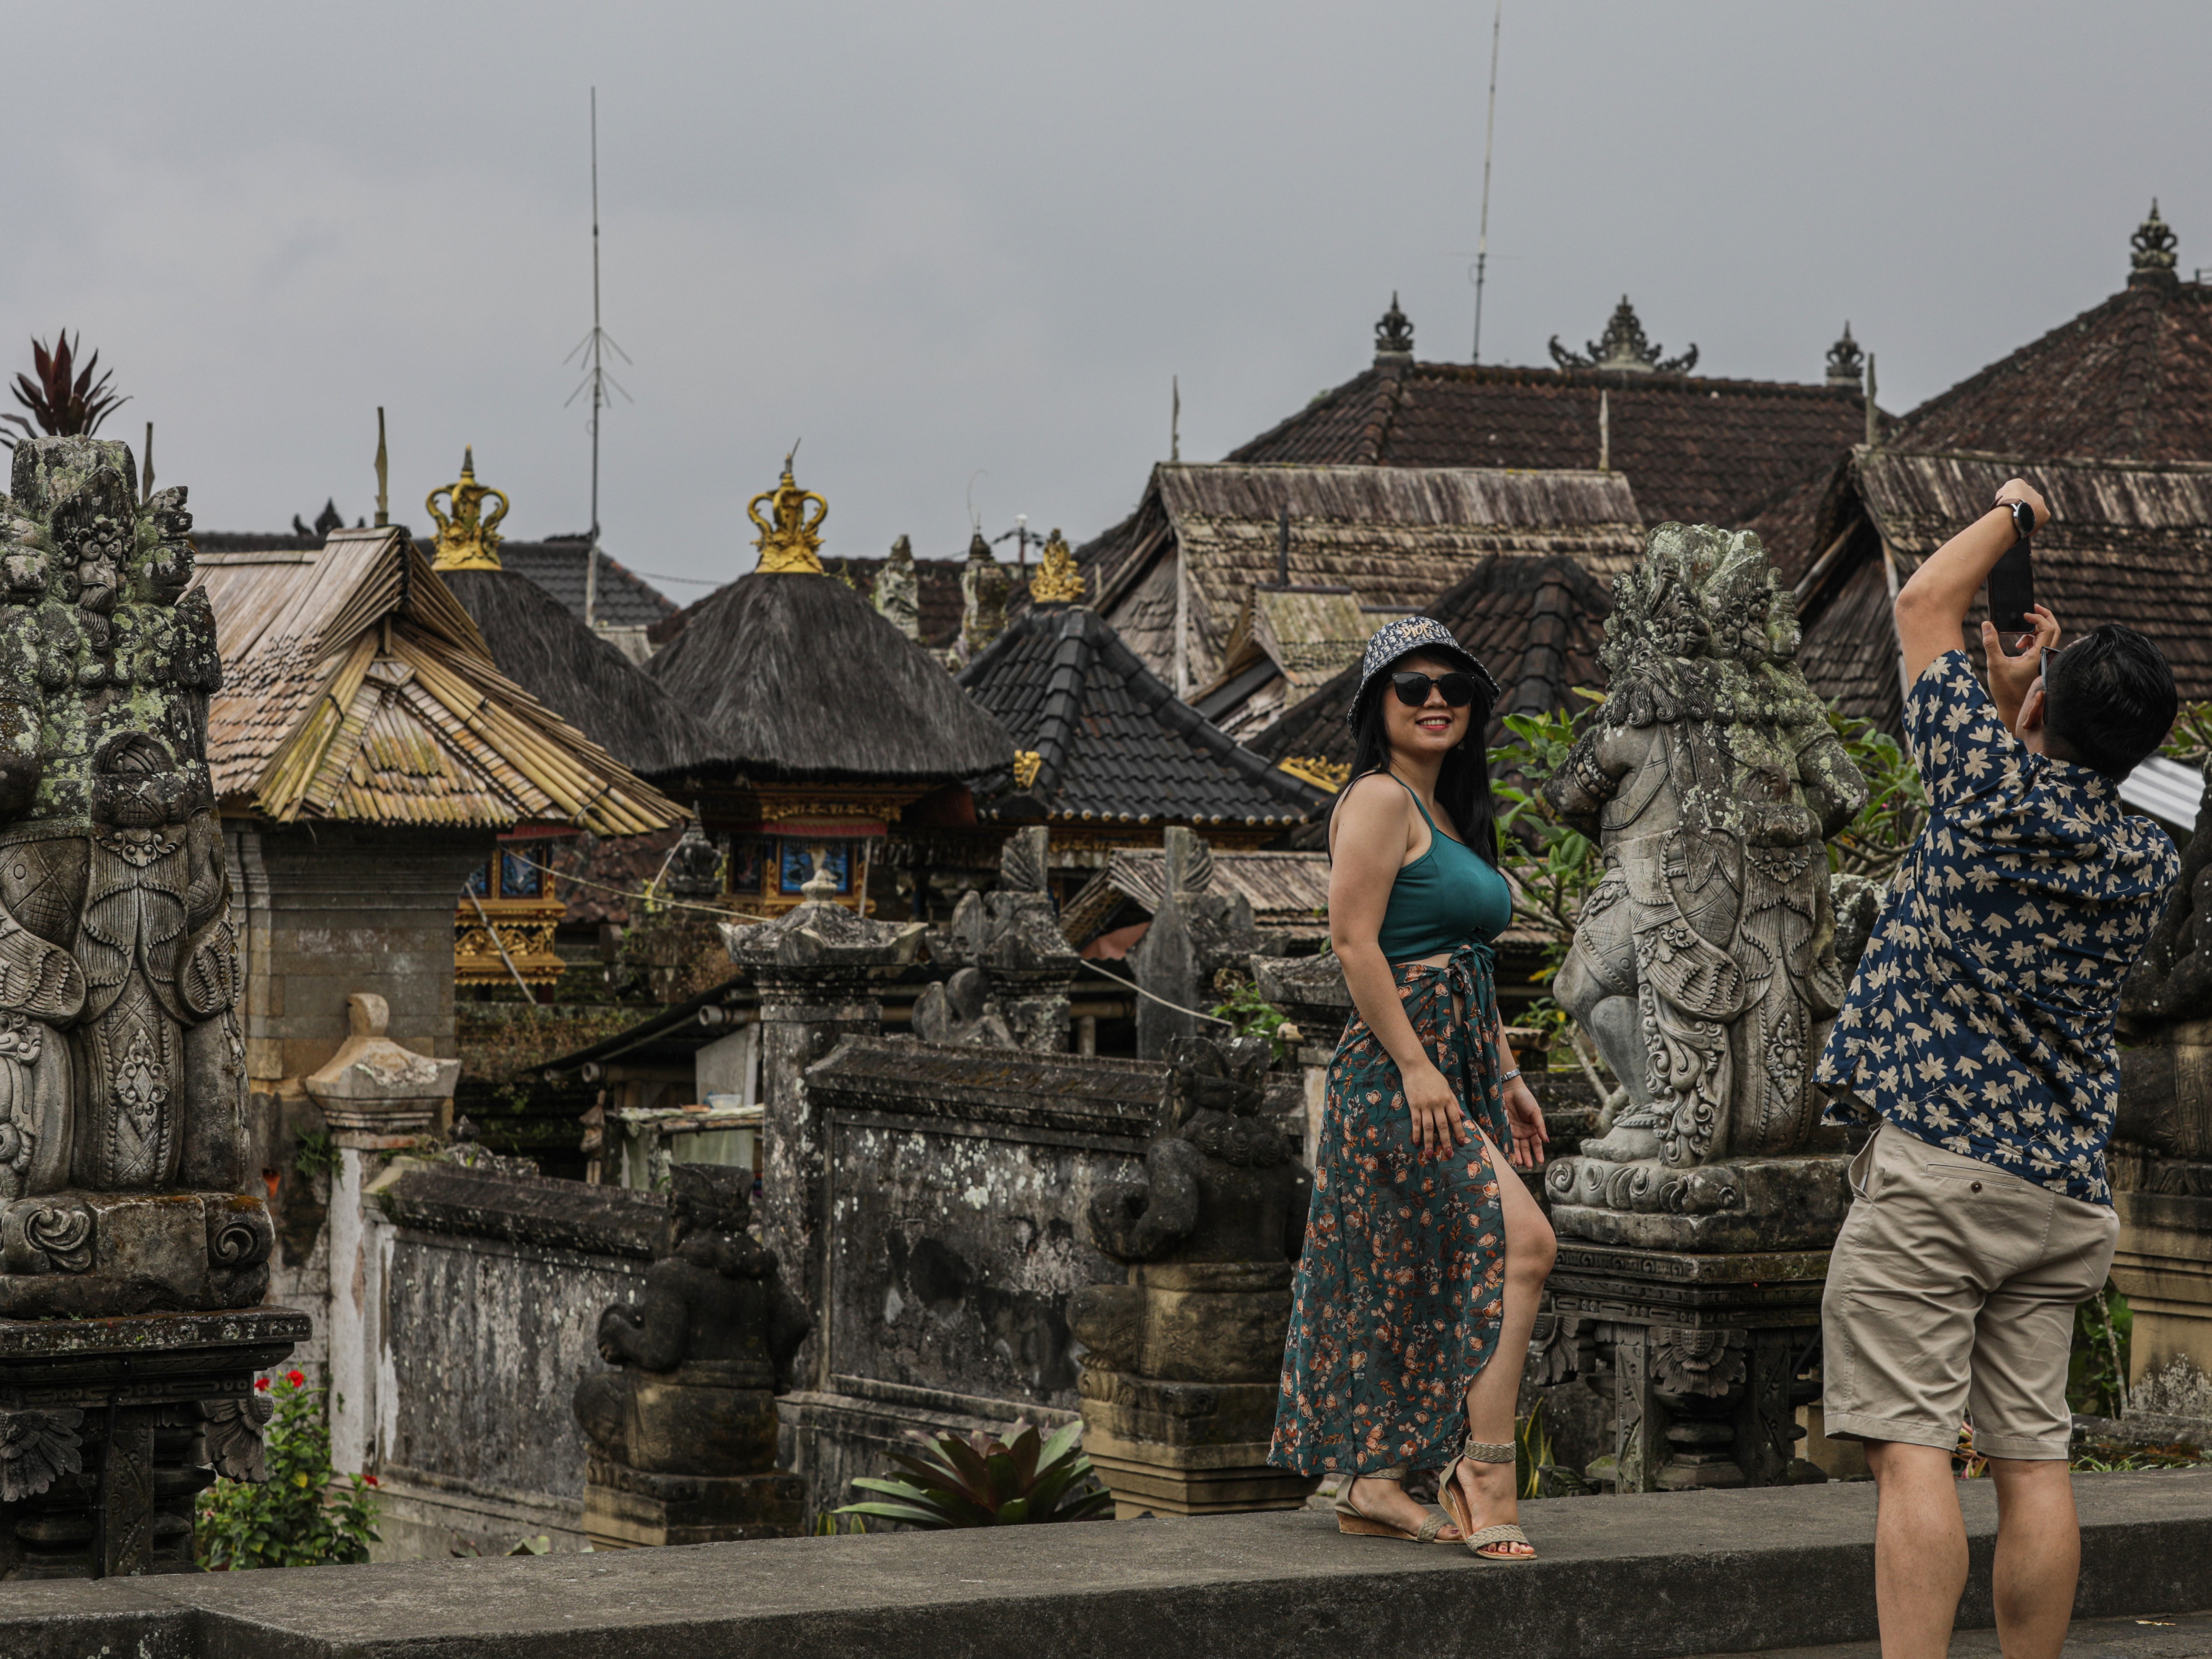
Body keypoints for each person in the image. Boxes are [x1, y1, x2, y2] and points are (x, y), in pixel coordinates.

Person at [1816, 479, 2181, 1659]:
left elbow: (1924, 597)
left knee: (1911, 1450)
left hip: (1935, 1180)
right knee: (2033, 1456)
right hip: (2058, 1191)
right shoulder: (2142, 851)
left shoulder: (1979, 789)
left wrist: (2015, 512)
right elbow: (2056, 784)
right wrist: (2035, 707)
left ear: (2048, 714)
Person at [1269, 615, 1555, 1560]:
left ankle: (1375, 1483)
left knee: (1419, 1271)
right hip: (1399, 1069)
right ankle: (1481, 1467)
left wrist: (1505, 1073)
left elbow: (1469, 962)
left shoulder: (1452, 816)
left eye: (1455, 688)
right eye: (1412, 686)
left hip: (1454, 1063)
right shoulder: (1378, 800)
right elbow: (1354, 943)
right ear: (1375, 708)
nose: (1437, 699)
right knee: (1521, 1241)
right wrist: (1418, 1065)